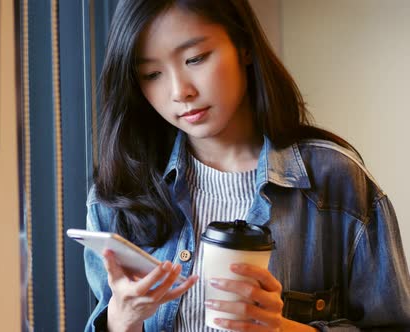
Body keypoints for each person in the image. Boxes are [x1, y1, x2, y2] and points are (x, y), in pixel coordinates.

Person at [83, 0, 410, 331]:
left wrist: (285, 328)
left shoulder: (335, 181)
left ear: (243, 47)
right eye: (152, 74)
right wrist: (122, 319)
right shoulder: (119, 194)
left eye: (195, 59)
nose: (180, 91)